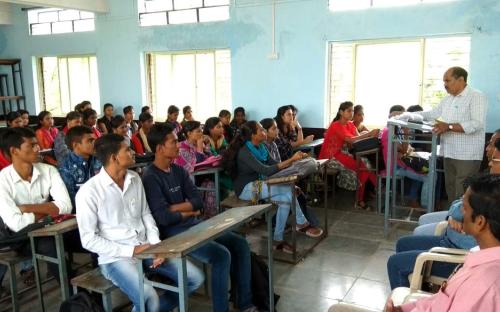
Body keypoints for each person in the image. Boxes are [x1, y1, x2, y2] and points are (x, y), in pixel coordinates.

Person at [76, 134, 204, 311]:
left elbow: (146, 214)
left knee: (194, 278)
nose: (133, 152)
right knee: (149, 297)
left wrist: (156, 245)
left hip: (146, 247)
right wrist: (132, 250)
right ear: (114, 158)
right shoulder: (89, 192)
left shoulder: (134, 178)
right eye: (127, 150)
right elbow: (88, 239)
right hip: (116, 257)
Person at [142, 123, 258, 312]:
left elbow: (198, 202)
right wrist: (187, 211)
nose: (178, 145)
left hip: (193, 224)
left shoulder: (178, 170)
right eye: (173, 142)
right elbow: (163, 218)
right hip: (173, 233)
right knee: (221, 255)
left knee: (240, 244)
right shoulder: (150, 177)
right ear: (159, 148)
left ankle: (244, 302)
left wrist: (177, 209)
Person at [386, 137, 500, 290]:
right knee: (402, 243)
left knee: (395, 263)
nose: (490, 161)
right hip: (449, 240)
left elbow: (476, 239)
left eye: (495, 159)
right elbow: (456, 206)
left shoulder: (493, 195)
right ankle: (420, 288)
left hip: (458, 255)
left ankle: (406, 298)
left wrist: (461, 224)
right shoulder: (488, 185)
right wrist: (455, 218)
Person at [384, 173, 500, 312]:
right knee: (403, 244)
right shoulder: (480, 255)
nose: (461, 211)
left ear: (480, 222)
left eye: (465, 208)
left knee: (396, 262)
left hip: (453, 252)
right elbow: (441, 300)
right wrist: (404, 309)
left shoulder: (481, 287)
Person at [222, 121, 323, 254]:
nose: (264, 132)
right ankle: (301, 223)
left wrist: (296, 161)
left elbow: (275, 165)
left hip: (260, 184)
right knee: (289, 190)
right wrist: (291, 160)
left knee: (286, 200)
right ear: (253, 135)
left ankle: (277, 240)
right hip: (247, 189)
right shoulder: (244, 152)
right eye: (261, 130)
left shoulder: (261, 147)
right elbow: (266, 170)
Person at [396, 67, 487, 204]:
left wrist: (449, 126)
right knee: (451, 190)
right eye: (444, 81)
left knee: (462, 192)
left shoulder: (476, 96)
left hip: (467, 155)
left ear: (461, 80)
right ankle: (452, 221)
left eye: (448, 80)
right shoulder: (448, 99)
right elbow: (431, 114)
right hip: (449, 151)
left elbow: (477, 123)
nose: (445, 84)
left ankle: (462, 223)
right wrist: (407, 115)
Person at [0, 127, 72, 293]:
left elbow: (66, 206)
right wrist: (49, 211)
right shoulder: (3, 180)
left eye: (37, 144)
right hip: (21, 239)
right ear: (14, 151)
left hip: (53, 228)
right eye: (31, 145)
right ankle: (75, 297)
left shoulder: (48, 170)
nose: (38, 148)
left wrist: (25, 208)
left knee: (90, 233)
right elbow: (17, 224)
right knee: (50, 245)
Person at [261, 117, 321, 229]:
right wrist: (292, 162)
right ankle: (305, 224)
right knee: (293, 194)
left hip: (278, 175)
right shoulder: (263, 146)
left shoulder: (273, 144)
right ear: (265, 131)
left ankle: (277, 223)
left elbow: (278, 164)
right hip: (268, 180)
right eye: (274, 129)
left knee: (299, 194)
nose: (277, 131)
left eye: (277, 129)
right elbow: (270, 168)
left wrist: (295, 160)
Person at [319, 101, 379, 209]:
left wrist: (371, 135)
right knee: (364, 168)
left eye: (352, 110)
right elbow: (350, 140)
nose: (351, 113)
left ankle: (365, 197)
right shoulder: (336, 125)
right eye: (349, 111)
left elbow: (358, 137)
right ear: (341, 112)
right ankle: (372, 194)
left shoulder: (350, 124)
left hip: (343, 154)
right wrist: (370, 134)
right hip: (331, 156)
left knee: (365, 166)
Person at [380, 105, 428, 208]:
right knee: (429, 176)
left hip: (400, 163)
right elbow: (404, 149)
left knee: (423, 169)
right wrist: (406, 133)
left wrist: (404, 148)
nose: (404, 120)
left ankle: (414, 199)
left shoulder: (395, 131)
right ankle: (425, 206)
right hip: (395, 167)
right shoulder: (389, 132)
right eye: (402, 117)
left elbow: (407, 148)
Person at [58, 126, 101, 210]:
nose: (95, 143)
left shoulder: (100, 159)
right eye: (90, 141)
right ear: (76, 145)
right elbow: (72, 200)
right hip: (82, 211)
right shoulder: (66, 167)